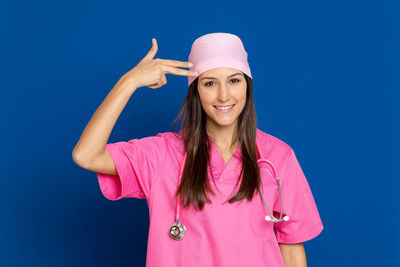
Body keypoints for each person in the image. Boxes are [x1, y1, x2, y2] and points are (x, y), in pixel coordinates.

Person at [72, 32, 324, 267]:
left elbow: (291, 248)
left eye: (234, 81)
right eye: (210, 83)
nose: (224, 96)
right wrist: (129, 82)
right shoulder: (161, 154)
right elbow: (86, 155)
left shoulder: (277, 156)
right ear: (195, 91)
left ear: (247, 85)